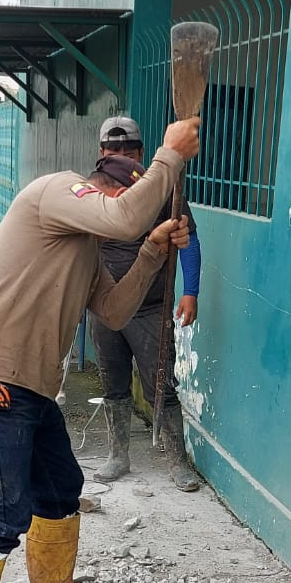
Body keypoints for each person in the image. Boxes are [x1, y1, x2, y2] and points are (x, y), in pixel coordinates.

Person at [0, 116, 201, 583]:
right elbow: (124, 216)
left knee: (61, 488)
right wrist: (170, 156)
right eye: (127, 205)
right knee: (0, 512)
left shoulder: (83, 249)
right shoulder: (57, 190)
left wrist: (153, 250)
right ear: (103, 189)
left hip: (30, 386)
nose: (128, 224)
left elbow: (114, 311)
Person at [84, 116, 204, 491]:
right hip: (105, 307)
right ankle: (118, 455)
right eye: (113, 150)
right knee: (113, 383)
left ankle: (176, 461)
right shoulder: (93, 191)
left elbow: (189, 239)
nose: (121, 155)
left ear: (141, 152)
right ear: (102, 153)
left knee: (161, 385)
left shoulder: (163, 191)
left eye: (129, 150)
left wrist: (190, 291)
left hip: (151, 308)